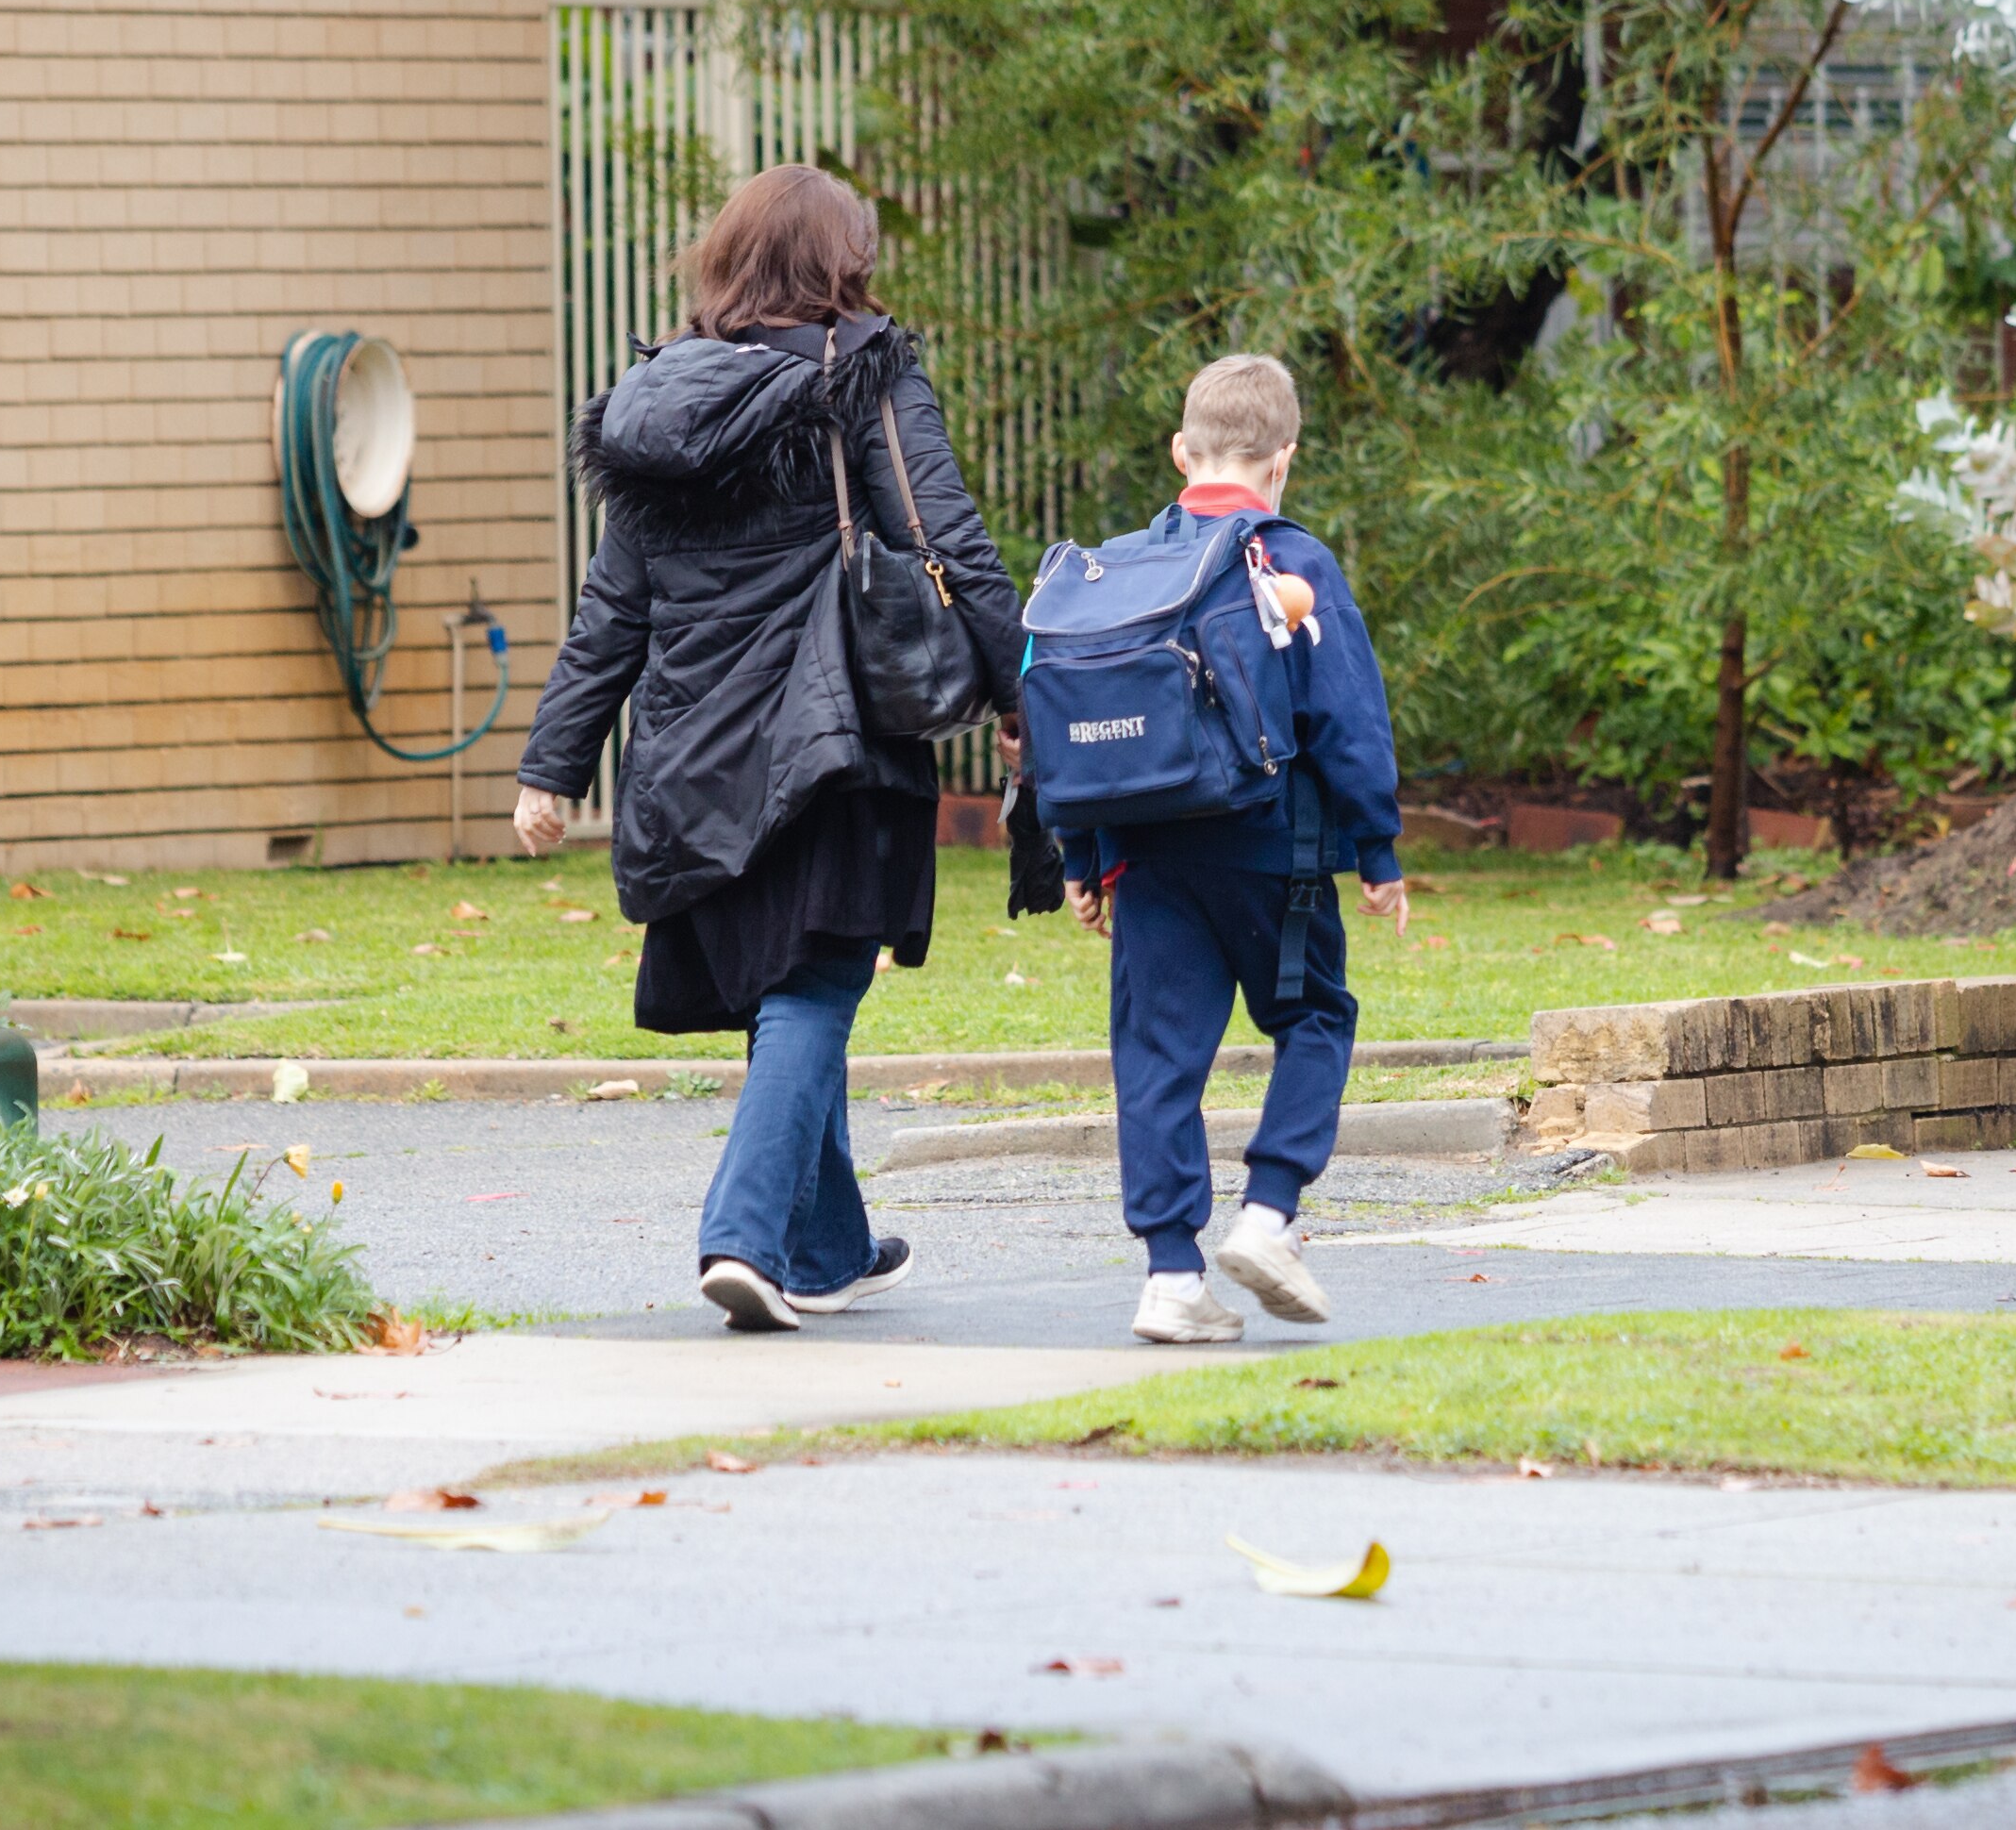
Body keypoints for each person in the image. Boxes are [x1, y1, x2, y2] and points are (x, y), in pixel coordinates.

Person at [510, 164, 1025, 1333]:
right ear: (840, 261)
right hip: (830, 740)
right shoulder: (865, 378)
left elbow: (613, 611)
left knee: (791, 987)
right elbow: (952, 546)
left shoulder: (658, 402)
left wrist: (551, 766)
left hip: (687, 757)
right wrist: (1021, 695)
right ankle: (743, 1236)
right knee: (816, 981)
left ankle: (830, 1245)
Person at [1053, 355, 1406, 1345]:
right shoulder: (1292, 565)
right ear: (1284, 458)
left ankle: (1170, 1278)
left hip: (1149, 860)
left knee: (1157, 1058)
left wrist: (1081, 857)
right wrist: (1377, 852)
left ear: (1181, 450)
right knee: (1316, 1013)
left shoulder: (1116, 570)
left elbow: (1071, 721)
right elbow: (1347, 719)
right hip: (1274, 852)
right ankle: (1268, 1212)